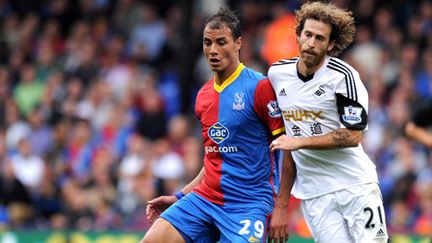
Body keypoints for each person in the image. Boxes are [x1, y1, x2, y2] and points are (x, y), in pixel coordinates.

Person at [141, 7, 296, 243]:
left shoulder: (260, 87)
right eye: (207, 43)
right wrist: (182, 195)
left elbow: (289, 147)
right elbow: (214, 159)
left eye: (221, 42)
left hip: (249, 205)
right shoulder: (203, 96)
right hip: (205, 199)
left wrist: (282, 206)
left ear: (238, 43)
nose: (213, 50)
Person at [268, 2, 389, 243]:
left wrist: (299, 142)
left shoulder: (344, 77)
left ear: (331, 44)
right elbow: (288, 143)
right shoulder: (277, 75)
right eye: (308, 35)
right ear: (298, 36)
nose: (311, 43)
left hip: (355, 185)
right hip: (315, 194)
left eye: (320, 38)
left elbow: (353, 136)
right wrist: (281, 205)